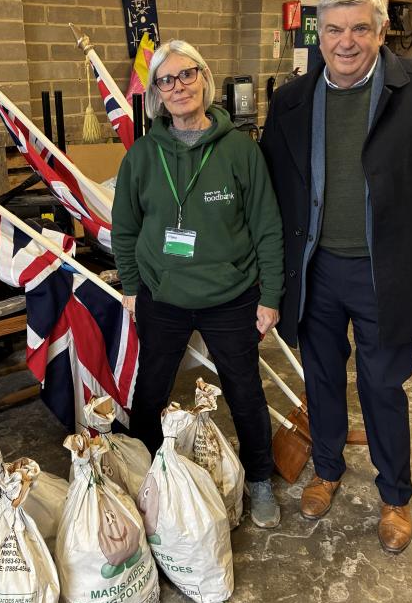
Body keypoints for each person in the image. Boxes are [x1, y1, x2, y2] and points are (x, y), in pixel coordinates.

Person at [260, 0, 412, 553]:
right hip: (316, 271)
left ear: (383, 30)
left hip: (387, 271)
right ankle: (327, 470)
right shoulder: (292, 99)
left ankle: (394, 495)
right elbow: (270, 195)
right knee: (324, 378)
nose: (346, 41)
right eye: (334, 29)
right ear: (318, 34)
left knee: (384, 384)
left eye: (361, 27)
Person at [112, 39, 285, 528]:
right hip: (161, 295)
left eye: (187, 75)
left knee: (245, 390)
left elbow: (267, 226)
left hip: (230, 295)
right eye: (167, 80)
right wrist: (130, 284)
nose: (179, 86)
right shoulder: (143, 156)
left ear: (204, 80)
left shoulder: (239, 150)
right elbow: (124, 229)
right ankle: (145, 479)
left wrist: (269, 296)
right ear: (156, 94)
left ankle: (259, 479)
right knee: (150, 391)